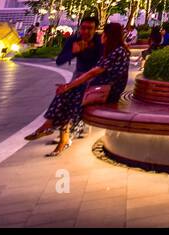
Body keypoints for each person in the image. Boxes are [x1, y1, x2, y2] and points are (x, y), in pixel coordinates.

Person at [26, 22, 131, 156]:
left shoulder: (117, 51)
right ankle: (57, 134)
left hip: (107, 91)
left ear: (109, 35)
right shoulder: (115, 49)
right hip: (101, 87)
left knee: (69, 94)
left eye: (103, 33)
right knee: (66, 95)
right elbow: (65, 61)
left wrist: (70, 85)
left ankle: (53, 129)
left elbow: (93, 72)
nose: (101, 35)